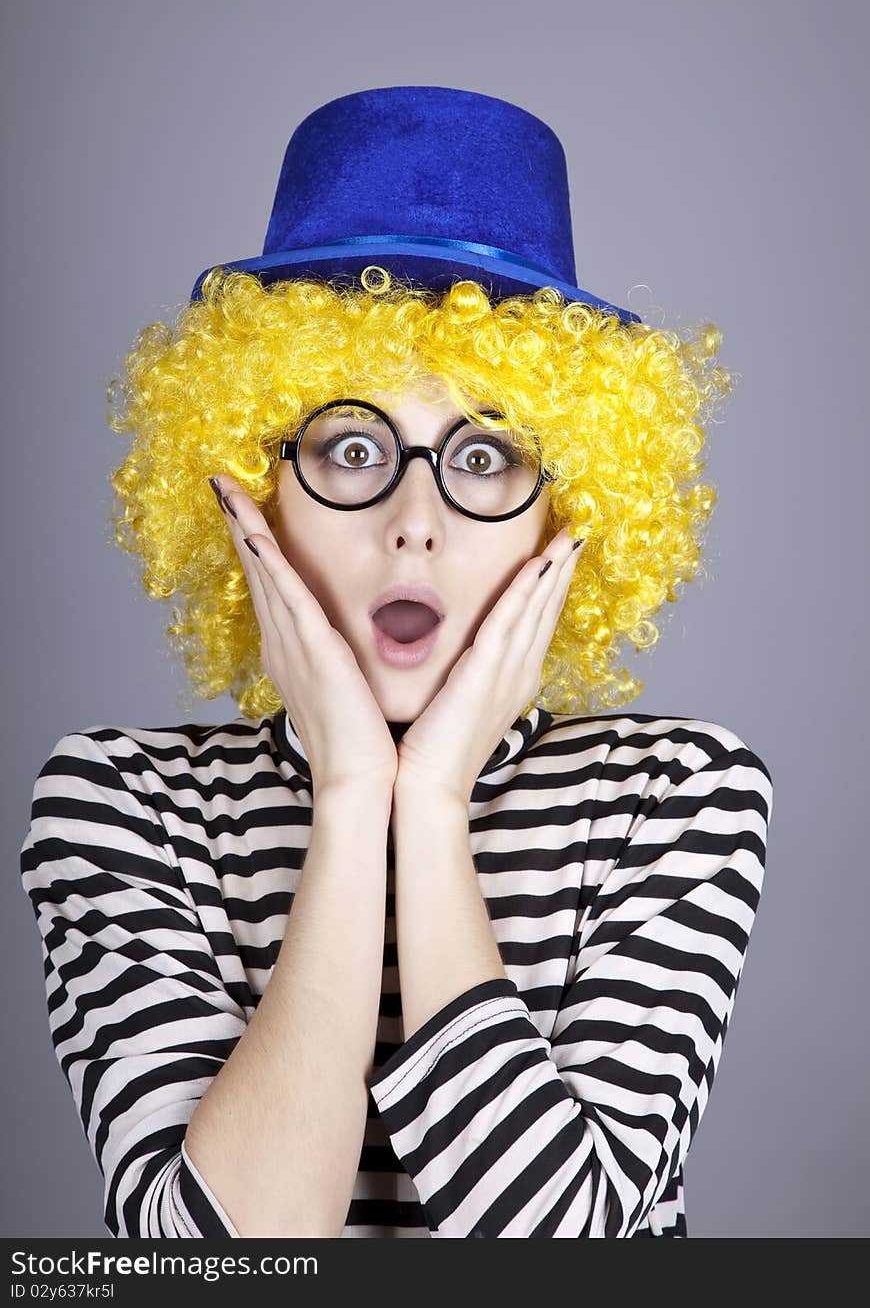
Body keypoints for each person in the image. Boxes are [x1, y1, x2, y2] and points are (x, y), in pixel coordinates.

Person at [19, 85, 773, 1239]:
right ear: (248, 490)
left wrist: (427, 805)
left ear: (562, 513)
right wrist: (351, 795)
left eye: (483, 455)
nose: (415, 519)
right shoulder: (121, 803)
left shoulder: (676, 795)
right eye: (353, 446)